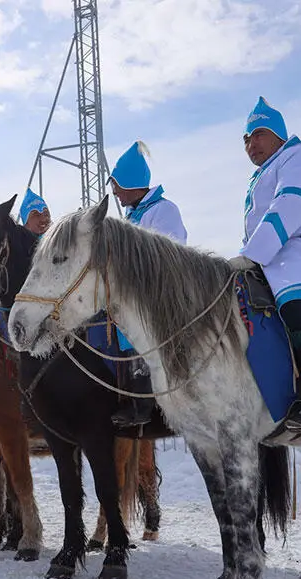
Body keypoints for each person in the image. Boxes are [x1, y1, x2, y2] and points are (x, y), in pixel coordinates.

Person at [231, 97, 301, 434]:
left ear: (280, 136)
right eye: (247, 139)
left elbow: (289, 207)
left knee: (298, 309)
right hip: (273, 258)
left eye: (259, 135)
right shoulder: (263, 174)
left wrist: (251, 255)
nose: (252, 144)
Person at [107, 141, 188, 427]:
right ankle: (134, 399)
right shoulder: (134, 215)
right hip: (135, 294)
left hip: (161, 294)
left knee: (141, 331)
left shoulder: (164, 211)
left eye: (117, 184)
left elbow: (169, 255)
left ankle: (147, 406)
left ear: (131, 183)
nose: (114, 192)